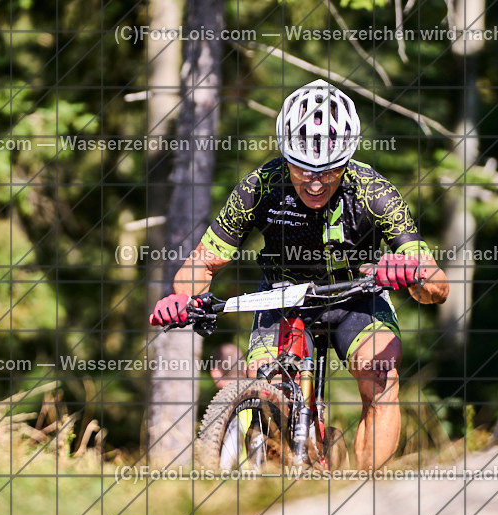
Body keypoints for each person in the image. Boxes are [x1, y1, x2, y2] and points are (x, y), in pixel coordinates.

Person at [150, 79, 449, 471]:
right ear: (285, 155)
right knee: (265, 386)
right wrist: (184, 299)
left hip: (357, 294)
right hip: (282, 295)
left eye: (328, 171)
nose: (314, 181)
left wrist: (411, 274)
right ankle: (278, 470)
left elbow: (438, 286)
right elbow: (202, 263)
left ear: (347, 159)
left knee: (382, 373)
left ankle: (365, 492)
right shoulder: (260, 187)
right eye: (301, 167)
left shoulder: (374, 192)